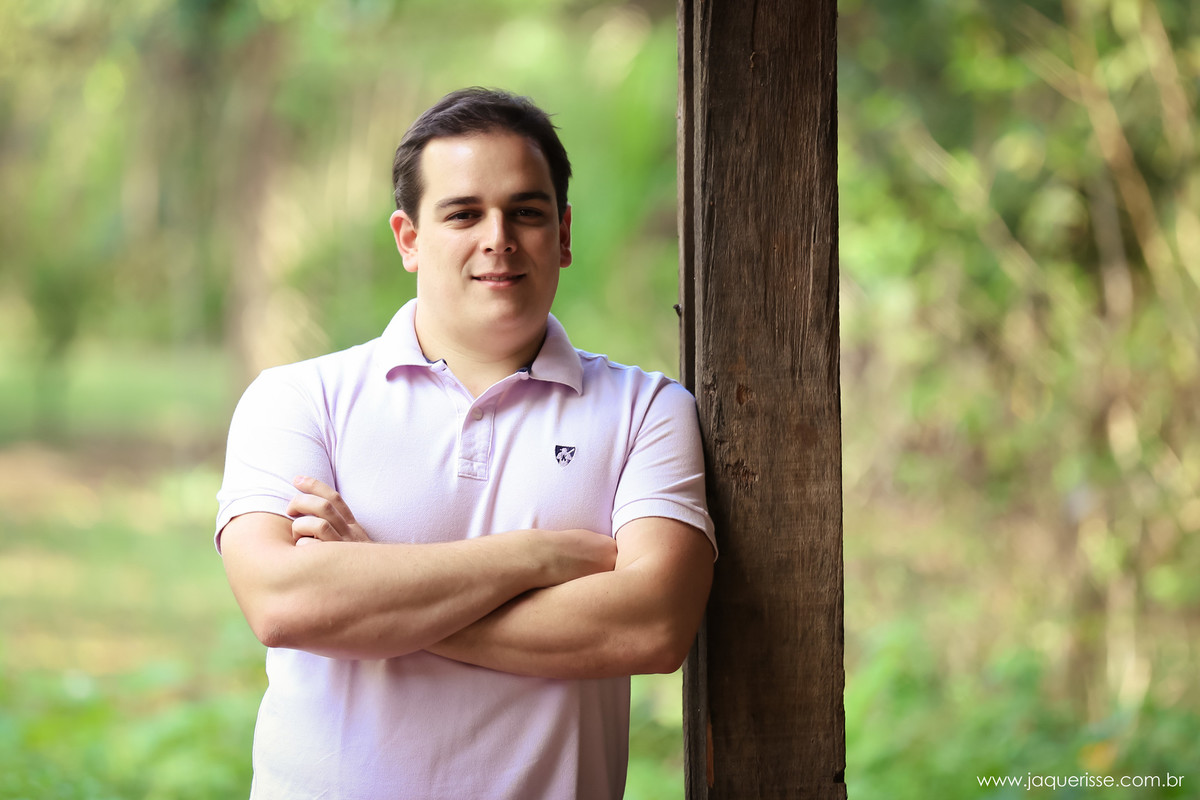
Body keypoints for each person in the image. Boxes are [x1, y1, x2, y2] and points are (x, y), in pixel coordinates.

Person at [215, 87, 716, 800]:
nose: (498, 238)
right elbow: (285, 606)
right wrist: (537, 555)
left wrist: (373, 592)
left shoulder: (647, 411)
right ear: (409, 239)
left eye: (527, 212)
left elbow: (652, 627)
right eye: (462, 213)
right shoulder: (299, 400)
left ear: (564, 234)